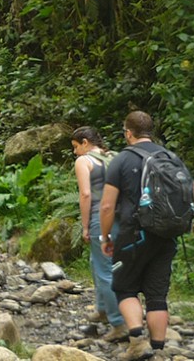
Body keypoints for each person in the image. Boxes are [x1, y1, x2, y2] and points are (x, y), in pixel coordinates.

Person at [98, 111, 194, 360]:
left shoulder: (121, 161)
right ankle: (158, 350)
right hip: (166, 236)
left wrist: (105, 237)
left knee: (124, 288)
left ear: (128, 132)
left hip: (133, 235)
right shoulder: (170, 157)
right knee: (157, 296)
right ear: (151, 131)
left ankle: (137, 341)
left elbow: (106, 206)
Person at [72, 126, 129, 342]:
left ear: (85, 142)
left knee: (106, 271)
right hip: (121, 218)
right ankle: (103, 308)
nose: (75, 152)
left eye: (76, 147)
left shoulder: (84, 162)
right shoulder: (114, 157)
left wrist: (85, 226)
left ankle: (119, 323)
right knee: (98, 263)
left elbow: (86, 194)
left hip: (99, 218)